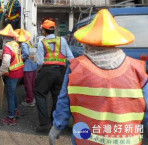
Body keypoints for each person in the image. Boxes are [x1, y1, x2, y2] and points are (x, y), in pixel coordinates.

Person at [49, 9, 148, 145]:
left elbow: (64, 102)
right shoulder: (138, 69)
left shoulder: (75, 67)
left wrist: (57, 126)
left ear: (86, 41)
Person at [35, 19, 74, 133]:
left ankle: (44, 124)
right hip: (61, 71)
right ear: (54, 29)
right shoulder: (62, 40)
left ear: (44, 31)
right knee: (57, 97)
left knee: (40, 94)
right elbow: (70, 57)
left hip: (47, 71)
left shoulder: (41, 42)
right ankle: (55, 122)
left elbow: (40, 62)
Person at [0, 24, 24, 126]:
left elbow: (6, 63)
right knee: (14, 92)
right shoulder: (15, 44)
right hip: (19, 72)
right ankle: (15, 110)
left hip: (13, 73)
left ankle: (11, 118)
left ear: (5, 37)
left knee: (10, 95)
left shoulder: (8, 46)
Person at [15, 29, 38, 107]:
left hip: (28, 67)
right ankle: (33, 98)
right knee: (32, 84)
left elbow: (26, 53)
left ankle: (29, 101)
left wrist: (19, 58)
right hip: (33, 66)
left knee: (28, 84)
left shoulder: (24, 44)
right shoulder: (29, 42)